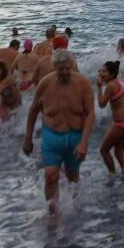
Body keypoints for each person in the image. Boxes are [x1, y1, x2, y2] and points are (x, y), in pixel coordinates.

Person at [22, 50, 95, 212]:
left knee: (72, 177)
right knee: (50, 175)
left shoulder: (83, 83)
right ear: (54, 68)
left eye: (67, 68)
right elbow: (33, 110)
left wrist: (83, 143)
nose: (64, 72)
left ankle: (75, 210)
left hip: (75, 138)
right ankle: (52, 214)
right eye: (60, 69)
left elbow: (90, 113)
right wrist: (28, 138)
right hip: (52, 137)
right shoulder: (45, 84)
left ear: (73, 66)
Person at [96, 60, 124, 174]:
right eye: (101, 70)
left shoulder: (111, 86)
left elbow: (102, 104)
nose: (101, 73)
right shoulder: (117, 83)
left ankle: (112, 176)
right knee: (119, 153)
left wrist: (99, 87)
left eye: (104, 71)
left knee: (103, 150)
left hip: (121, 124)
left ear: (111, 74)